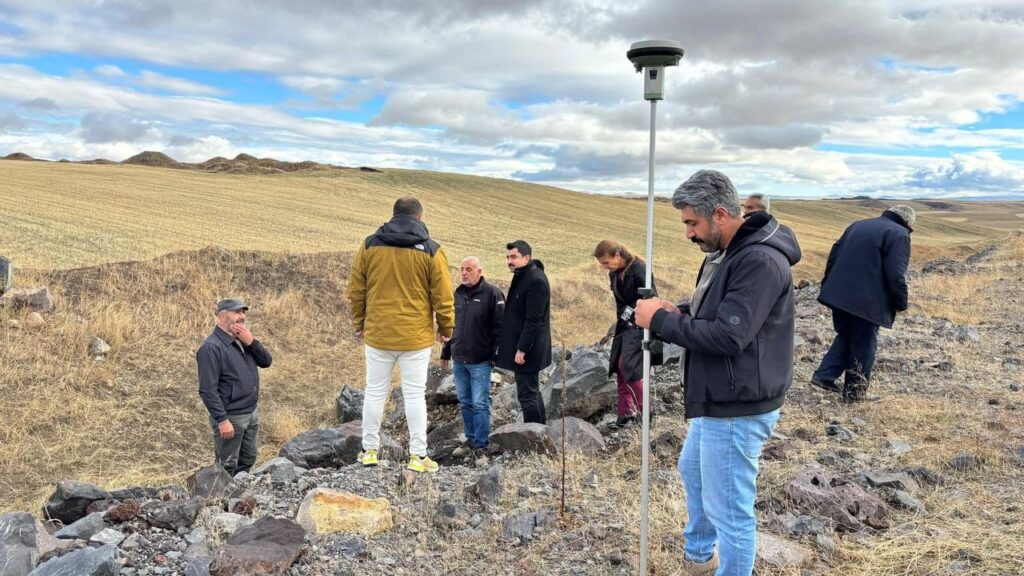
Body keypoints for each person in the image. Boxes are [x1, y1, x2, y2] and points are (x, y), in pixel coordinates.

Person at [634, 170, 801, 576]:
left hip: (739, 404)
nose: (689, 233)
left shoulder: (758, 260)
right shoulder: (727, 254)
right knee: (691, 469)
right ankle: (699, 557)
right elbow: (721, 312)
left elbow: (730, 335)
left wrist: (660, 323)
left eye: (693, 222)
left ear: (721, 214)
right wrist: (681, 312)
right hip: (721, 395)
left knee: (731, 512)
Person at [348, 197, 455, 473]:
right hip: (415, 337)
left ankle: (369, 450)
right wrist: (446, 329)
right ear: (420, 217)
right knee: (414, 395)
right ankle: (418, 456)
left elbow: (357, 288)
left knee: (374, 392)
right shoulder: (432, 250)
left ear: (393, 215)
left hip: (379, 334)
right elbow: (442, 296)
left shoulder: (370, 244)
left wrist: (360, 321)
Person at [812, 205, 915, 402]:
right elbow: (895, 274)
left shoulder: (858, 225)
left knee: (848, 334)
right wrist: (901, 302)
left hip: (838, 294)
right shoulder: (899, 234)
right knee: (864, 345)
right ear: (908, 222)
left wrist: (828, 284)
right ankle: (855, 394)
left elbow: (834, 254)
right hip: (867, 301)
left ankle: (824, 375)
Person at [197, 298, 273, 476]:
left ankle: (238, 494)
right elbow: (207, 390)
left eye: (243, 312)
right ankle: (219, 499)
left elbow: (266, 361)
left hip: (251, 412)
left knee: (248, 459)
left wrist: (252, 342)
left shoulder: (242, 340)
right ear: (223, 317)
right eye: (237, 312)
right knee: (227, 466)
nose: (242, 317)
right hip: (231, 417)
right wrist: (222, 420)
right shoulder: (211, 348)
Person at [440, 256, 505, 458]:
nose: (464, 273)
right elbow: (453, 326)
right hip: (459, 359)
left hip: (480, 361)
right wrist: (446, 351)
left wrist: (496, 355)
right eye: (462, 269)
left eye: (469, 269)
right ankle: (470, 440)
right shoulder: (457, 294)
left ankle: (481, 447)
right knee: (465, 402)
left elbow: (501, 328)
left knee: (480, 404)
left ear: (479, 271)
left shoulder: (493, 294)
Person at [593, 239, 657, 428]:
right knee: (618, 367)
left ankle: (646, 410)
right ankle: (625, 412)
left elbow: (651, 297)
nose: (605, 267)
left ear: (618, 255)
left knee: (627, 365)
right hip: (623, 325)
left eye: (606, 262)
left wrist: (634, 315)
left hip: (639, 325)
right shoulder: (614, 274)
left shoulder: (639, 268)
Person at [495, 240, 551, 424]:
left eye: (514, 257)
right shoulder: (523, 275)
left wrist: (522, 349)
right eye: (508, 257)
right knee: (531, 391)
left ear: (526, 258)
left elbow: (534, 319)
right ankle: (540, 430)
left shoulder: (535, 280)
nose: (509, 261)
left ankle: (533, 436)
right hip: (525, 346)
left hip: (529, 349)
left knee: (527, 394)